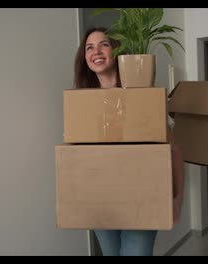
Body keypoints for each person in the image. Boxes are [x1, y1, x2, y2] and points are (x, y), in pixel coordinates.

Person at [73, 27, 185, 256]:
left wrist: (176, 200)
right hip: (100, 203)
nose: (96, 51)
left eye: (103, 44)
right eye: (89, 47)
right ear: (84, 58)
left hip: (141, 200)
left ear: (117, 50)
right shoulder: (81, 104)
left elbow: (173, 151)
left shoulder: (143, 97)